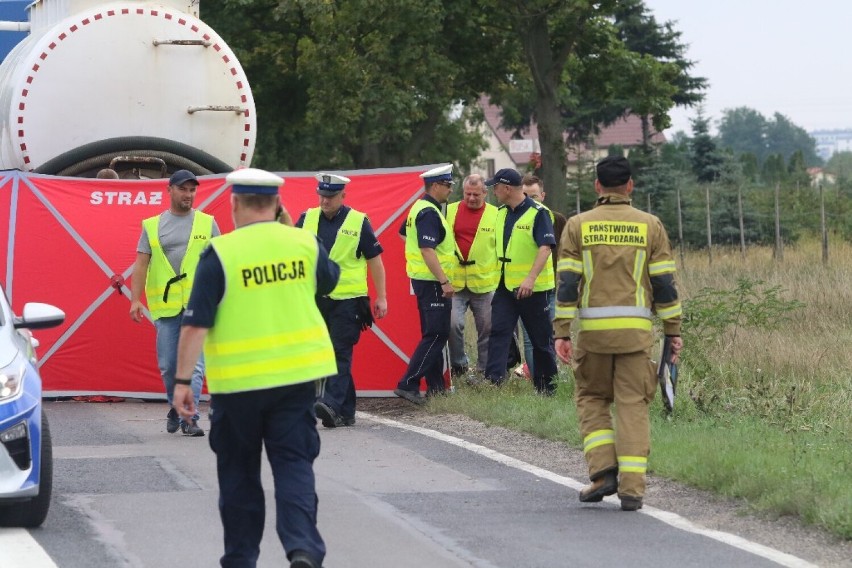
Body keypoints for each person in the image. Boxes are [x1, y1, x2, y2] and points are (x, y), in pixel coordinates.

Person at [172, 168, 339, 568]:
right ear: (279, 206)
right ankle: (302, 549)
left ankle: (241, 558)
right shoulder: (304, 243)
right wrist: (287, 231)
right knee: (294, 466)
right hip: (296, 380)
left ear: (234, 204)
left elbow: (196, 323)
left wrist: (181, 382)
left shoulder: (220, 254)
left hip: (239, 385)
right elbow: (329, 282)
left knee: (239, 476)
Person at [553, 155, 683, 512]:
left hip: (593, 336)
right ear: (630, 186)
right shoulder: (650, 226)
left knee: (592, 398)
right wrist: (673, 330)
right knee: (632, 407)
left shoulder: (578, 226)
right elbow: (665, 285)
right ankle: (633, 490)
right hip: (636, 337)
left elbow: (567, 284)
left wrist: (561, 332)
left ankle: (603, 472)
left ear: (597, 187)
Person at [130, 169, 219, 437]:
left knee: (195, 365)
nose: (188, 194)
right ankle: (175, 405)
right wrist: (135, 300)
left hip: (198, 305)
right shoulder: (152, 225)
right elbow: (141, 263)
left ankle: (190, 418)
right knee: (169, 365)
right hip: (167, 307)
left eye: (192, 190)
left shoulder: (207, 223)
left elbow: (220, 261)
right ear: (169, 190)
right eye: (183, 189)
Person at [296, 172, 388, 428]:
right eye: (322, 196)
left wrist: (381, 297)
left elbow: (375, 261)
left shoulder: (359, 222)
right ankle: (346, 410)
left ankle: (332, 405)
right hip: (315, 298)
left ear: (343, 196)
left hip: (349, 300)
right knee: (325, 351)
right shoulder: (306, 219)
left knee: (339, 350)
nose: (325, 201)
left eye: (331, 196)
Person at [484, 168, 559, 395]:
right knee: (498, 333)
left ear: (507, 188)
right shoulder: (501, 213)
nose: (493, 191)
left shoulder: (538, 213)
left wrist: (530, 279)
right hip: (506, 287)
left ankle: (547, 388)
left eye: (495, 187)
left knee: (540, 341)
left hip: (533, 290)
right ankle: (493, 382)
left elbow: (546, 248)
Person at [394, 164, 457, 405]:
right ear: (436, 186)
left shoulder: (420, 208)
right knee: (437, 334)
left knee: (433, 334)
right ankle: (408, 383)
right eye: (448, 185)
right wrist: (444, 280)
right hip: (433, 282)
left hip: (424, 280)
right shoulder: (429, 212)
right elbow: (426, 248)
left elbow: (404, 235)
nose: (450, 190)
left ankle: (436, 388)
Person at [515, 174, 567, 379]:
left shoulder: (557, 219)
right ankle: (539, 381)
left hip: (552, 286)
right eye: (525, 195)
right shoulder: (513, 219)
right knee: (530, 338)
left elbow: (567, 251)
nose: (529, 200)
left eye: (534, 196)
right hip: (525, 287)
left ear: (543, 196)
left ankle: (550, 377)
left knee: (552, 335)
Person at [446, 174, 498, 378]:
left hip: (484, 282)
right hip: (454, 281)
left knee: (487, 328)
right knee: (452, 324)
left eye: (476, 194)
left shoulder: (496, 214)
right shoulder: (449, 211)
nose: (471, 198)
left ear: (485, 193)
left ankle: (484, 369)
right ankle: (459, 365)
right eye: (468, 194)